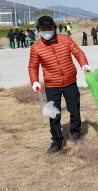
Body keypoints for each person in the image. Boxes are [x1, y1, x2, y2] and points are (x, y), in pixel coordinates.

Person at [28, 15, 91, 154]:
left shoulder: (65, 39)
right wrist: (35, 81)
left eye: (49, 28)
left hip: (70, 82)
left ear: (54, 28)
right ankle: (57, 140)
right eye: (43, 29)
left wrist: (84, 64)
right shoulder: (36, 47)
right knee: (54, 115)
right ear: (39, 30)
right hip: (52, 85)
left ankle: (75, 133)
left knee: (74, 109)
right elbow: (33, 67)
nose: (46, 31)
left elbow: (78, 52)